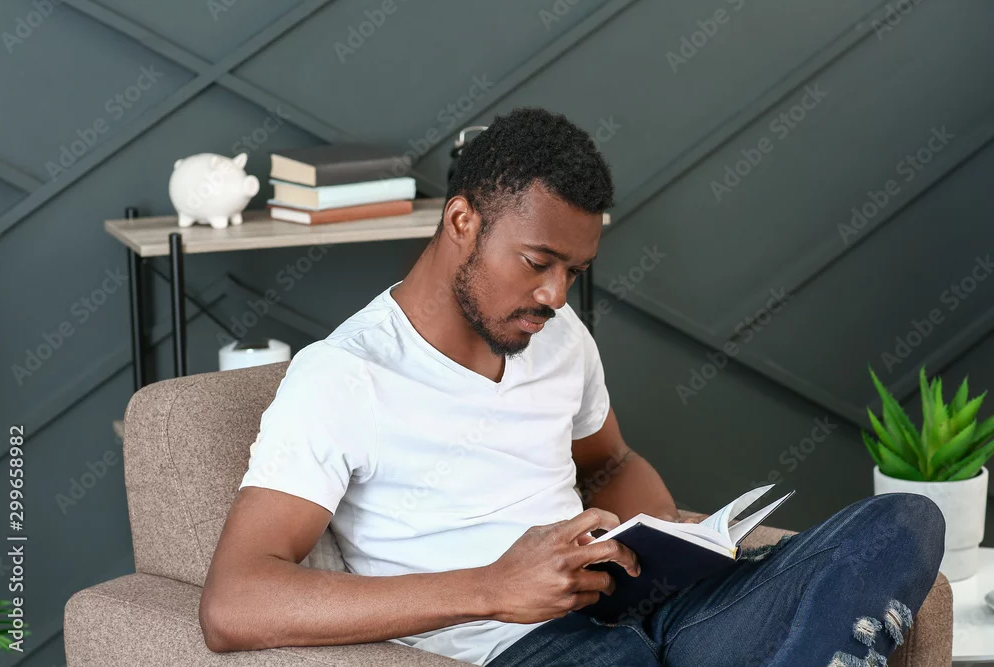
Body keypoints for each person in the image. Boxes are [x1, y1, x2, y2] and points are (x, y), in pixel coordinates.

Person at [199, 107, 946, 667]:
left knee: (903, 523)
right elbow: (234, 602)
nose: (556, 295)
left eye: (574, 271)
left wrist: (673, 548)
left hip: (645, 608)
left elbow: (610, 460)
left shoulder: (558, 338)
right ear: (462, 220)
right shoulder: (344, 376)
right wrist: (493, 586)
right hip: (527, 645)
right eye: (538, 262)